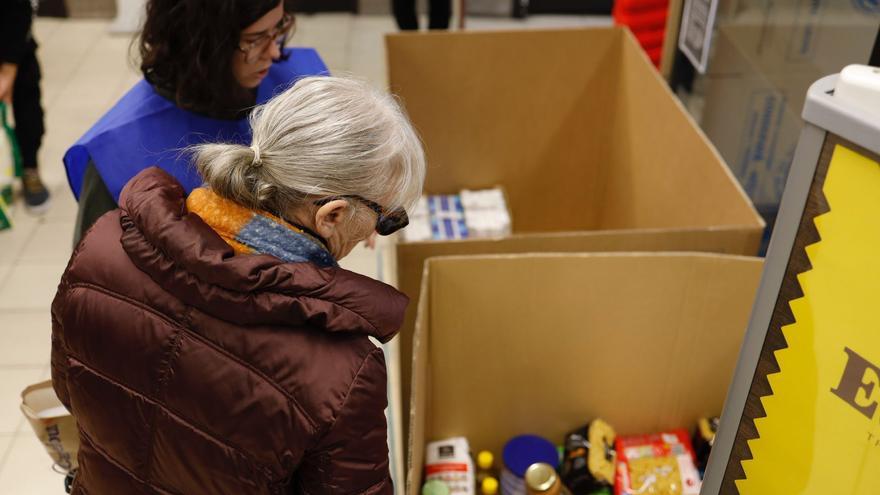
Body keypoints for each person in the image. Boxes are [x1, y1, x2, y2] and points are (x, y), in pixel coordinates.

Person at [51, 76, 426, 494]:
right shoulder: (343, 374)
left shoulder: (102, 247)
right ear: (332, 216)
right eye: (385, 220)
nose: (374, 235)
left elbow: (72, 391)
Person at [66, 0, 328, 244]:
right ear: (202, 43)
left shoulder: (299, 85)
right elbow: (96, 277)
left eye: (278, 28)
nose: (273, 51)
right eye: (255, 39)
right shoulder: (117, 152)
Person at [0, 0, 51, 212]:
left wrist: (8, 70)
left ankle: (30, 169)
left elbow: (20, 10)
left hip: (15, 43)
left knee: (28, 113)